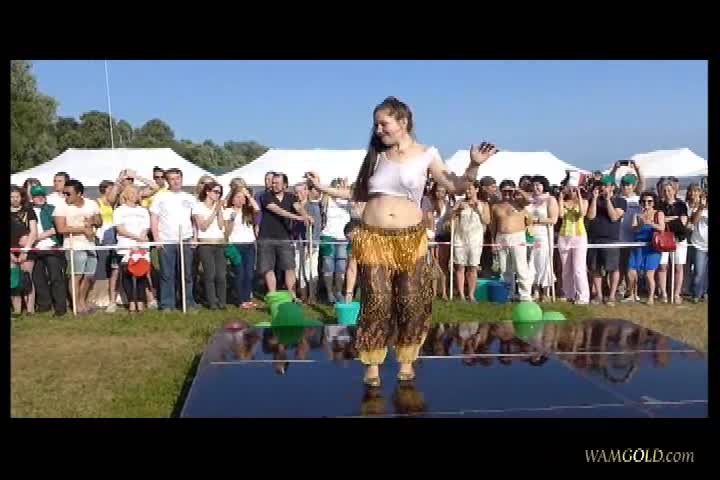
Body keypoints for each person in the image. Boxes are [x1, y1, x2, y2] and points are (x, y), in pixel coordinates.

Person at [307, 96, 497, 387]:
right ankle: (372, 363)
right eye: (376, 124)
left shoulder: (427, 154)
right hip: (373, 237)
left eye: (383, 123)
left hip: (410, 239)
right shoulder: (376, 156)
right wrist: (322, 187)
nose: (378, 129)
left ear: (403, 122)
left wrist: (473, 165)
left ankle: (406, 360)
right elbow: (358, 194)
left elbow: (456, 186)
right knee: (376, 301)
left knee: (410, 301)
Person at [257, 172, 314, 298]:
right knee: (268, 268)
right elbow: (277, 210)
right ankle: (273, 295)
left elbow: (298, 207)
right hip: (266, 237)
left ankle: (292, 295)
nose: (274, 185)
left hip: (284, 237)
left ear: (285, 185)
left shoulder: (291, 197)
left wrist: (305, 215)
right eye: (273, 183)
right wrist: (297, 217)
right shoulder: (266, 196)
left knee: (289, 267)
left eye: (277, 183)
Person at [149, 168, 198, 312]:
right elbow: (154, 218)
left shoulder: (189, 198)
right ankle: (167, 304)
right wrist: (157, 238)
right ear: (167, 181)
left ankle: (188, 302)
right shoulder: (160, 197)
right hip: (167, 240)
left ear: (182, 179)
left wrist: (195, 237)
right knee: (167, 274)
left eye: (178, 178)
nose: (176, 181)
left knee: (187, 274)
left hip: (186, 239)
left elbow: (194, 219)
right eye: (172, 179)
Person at [53, 179, 102, 314]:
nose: (66, 196)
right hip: (73, 245)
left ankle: (82, 301)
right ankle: (76, 305)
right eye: (64, 193)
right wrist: (82, 229)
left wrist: (93, 220)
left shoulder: (91, 204)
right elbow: (61, 229)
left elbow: (100, 221)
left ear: (79, 193)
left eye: (68, 194)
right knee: (77, 275)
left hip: (90, 244)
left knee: (89, 275)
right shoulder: (61, 207)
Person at [586, 175, 626, 306]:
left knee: (613, 268)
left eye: (606, 185)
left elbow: (614, 217)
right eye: (601, 185)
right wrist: (594, 199)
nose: (603, 188)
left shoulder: (620, 201)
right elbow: (590, 216)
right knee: (595, 268)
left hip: (611, 239)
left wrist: (608, 200)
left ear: (613, 187)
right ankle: (599, 295)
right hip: (594, 238)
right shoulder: (594, 199)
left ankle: (612, 296)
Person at [492, 180, 534, 302]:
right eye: (504, 191)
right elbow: (493, 226)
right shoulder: (495, 206)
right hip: (501, 237)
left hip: (517, 236)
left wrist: (517, 190)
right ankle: (508, 294)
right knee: (504, 268)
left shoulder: (519, 203)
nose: (507, 194)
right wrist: (493, 241)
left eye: (509, 191)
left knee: (521, 267)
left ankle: (525, 295)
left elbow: (529, 200)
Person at [29, 186, 67, 316]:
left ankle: (60, 308)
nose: (40, 198)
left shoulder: (52, 209)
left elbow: (56, 228)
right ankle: (44, 305)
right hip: (34, 248)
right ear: (32, 198)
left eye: (42, 195)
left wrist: (38, 237)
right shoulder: (28, 211)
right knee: (38, 278)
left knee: (56, 277)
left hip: (51, 246)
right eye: (37, 196)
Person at [451, 180, 490, 302]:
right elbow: (450, 217)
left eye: (470, 189)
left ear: (476, 190)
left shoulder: (484, 204)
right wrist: (457, 210)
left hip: (475, 239)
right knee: (460, 266)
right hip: (460, 238)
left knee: (473, 267)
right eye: (466, 189)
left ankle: (471, 295)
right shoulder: (460, 203)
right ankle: (462, 295)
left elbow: (487, 221)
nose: (467, 191)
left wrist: (478, 209)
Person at [114, 186, 151, 313]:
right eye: (133, 192)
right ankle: (131, 302)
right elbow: (120, 229)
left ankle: (140, 301)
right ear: (126, 195)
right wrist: (135, 238)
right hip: (126, 246)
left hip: (141, 246)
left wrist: (141, 239)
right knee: (127, 274)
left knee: (141, 274)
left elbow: (146, 227)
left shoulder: (143, 211)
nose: (136, 195)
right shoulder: (119, 210)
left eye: (137, 193)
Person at [193, 181, 228, 310]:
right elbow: (203, 226)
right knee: (210, 274)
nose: (218, 195)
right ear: (207, 192)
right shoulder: (199, 207)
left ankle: (222, 302)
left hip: (219, 243)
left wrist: (219, 211)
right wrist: (214, 211)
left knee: (221, 275)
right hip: (206, 243)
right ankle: (212, 302)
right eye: (215, 192)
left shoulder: (218, 207)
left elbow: (221, 225)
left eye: (220, 193)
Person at [224, 185, 260, 309]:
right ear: (232, 199)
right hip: (235, 245)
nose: (240, 200)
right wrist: (231, 219)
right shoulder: (228, 211)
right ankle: (240, 300)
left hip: (249, 245)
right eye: (238, 197)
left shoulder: (248, 211)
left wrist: (248, 195)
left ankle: (247, 298)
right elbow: (226, 231)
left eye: (242, 197)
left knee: (249, 273)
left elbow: (257, 209)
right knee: (240, 272)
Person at [319, 178, 353, 304]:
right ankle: (329, 293)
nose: (339, 188)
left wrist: (346, 187)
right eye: (337, 186)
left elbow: (352, 196)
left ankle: (338, 292)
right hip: (328, 236)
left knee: (341, 268)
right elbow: (321, 200)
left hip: (343, 238)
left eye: (341, 186)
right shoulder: (326, 199)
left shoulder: (347, 200)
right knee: (328, 267)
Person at [627, 192, 664, 305]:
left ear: (654, 202)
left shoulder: (658, 213)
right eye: (643, 201)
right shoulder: (637, 215)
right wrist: (641, 224)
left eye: (649, 201)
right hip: (638, 246)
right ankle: (632, 294)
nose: (646, 204)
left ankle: (651, 297)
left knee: (649, 274)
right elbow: (633, 229)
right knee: (631, 270)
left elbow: (661, 228)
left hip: (653, 247)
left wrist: (650, 223)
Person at [656, 180, 689, 304]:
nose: (667, 193)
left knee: (678, 267)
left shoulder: (681, 205)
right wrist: (675, 218)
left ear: (674, 191)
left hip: (679, 238)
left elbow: (683, 221)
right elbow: (659, 220)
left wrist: (666, 219)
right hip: (663, 238)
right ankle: (663, 293)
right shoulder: (659, 205)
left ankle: (676, 294)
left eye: (669, 190)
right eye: (664, 191)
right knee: (663, 266)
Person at [527, 175, 558, 301]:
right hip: (530, 235)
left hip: (544, 235)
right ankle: (535, 290)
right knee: (531, 262)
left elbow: (553, 219)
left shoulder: (550, 199)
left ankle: (546, 291)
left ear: (544, 186)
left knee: (544, 262)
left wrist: (536, 220)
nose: (535, 188)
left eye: (538, 185)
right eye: (533, 185)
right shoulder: (529, 199)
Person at [557, 183, 590, 305]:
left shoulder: (584, 201)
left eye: (574, 190)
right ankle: (569, 294)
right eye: (570, 189)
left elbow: (582, 213)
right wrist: (561, 198)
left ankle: (583, 296)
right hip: (564, 236)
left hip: (579, 236)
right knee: (566, 269)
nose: (572, 192)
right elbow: (561, 215)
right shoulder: (564, 202)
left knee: (578, 269)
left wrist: (579, 195)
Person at [614, 172, 643, 302]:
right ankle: (620, 289)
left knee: (631, 267)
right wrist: (615, 168)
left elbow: (642, 182)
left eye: (629, 184)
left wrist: (637, 169)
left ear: (634, 186)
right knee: (620, 266)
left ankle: (633, 292)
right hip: (619, 237)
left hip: (634, 238)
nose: (626, 187)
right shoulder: (618, 199)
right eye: (624, 184)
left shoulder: (639, 200)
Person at [422, 182, 453, 299]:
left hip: (444, 236)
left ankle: (444, 291)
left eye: (443, 191)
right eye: (438, 191)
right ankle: (433, 292)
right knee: (433, 263)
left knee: (443, 264)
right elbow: (427, 219)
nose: (440, 193)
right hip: (431, 236)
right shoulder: (429, 203)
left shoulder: (448, 205)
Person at [11, 186, 38, 314]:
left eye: (17, 196)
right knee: (13, 280)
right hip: (11, 251)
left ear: (21, 197)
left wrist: (25, 251)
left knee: (27, 279)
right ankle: (17, 310)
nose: (14, 199)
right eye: (11, 197)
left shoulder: (29, 211)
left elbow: (34, 232)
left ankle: (30, 310)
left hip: (26, 249)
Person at [96, 180, 121, 312]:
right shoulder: (97, 203)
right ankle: (101, 296)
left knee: (114, 266)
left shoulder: (115, 204)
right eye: (111, 189)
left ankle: (116, 295)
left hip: (115, 235)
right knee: (103, 266)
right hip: (102, 236)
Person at [688, 189, 708, 303]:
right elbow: (694, 221)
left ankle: (705, 293)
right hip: (699, 244)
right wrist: (701, 208)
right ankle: (696, 294)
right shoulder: (698, 208)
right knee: (699, 272)